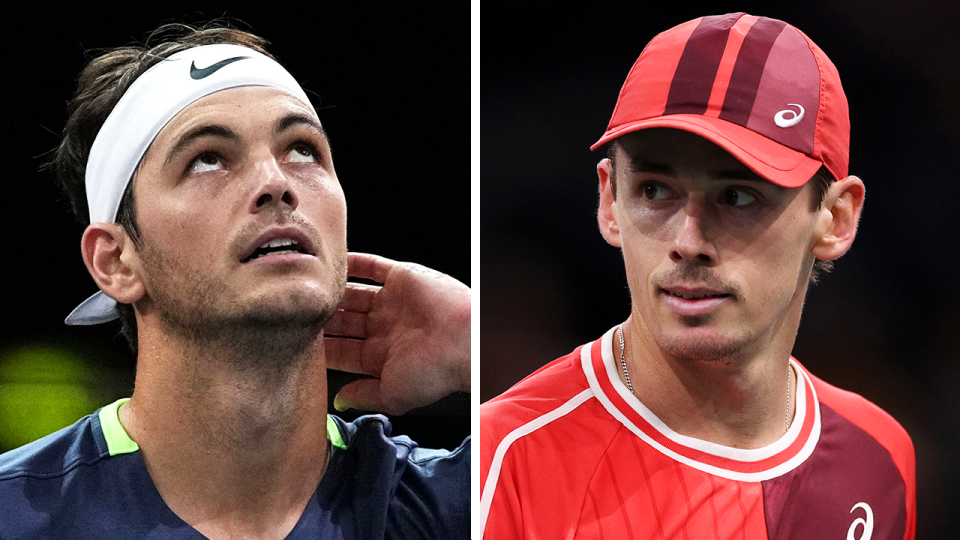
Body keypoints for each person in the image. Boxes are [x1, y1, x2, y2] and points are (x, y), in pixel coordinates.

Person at [0, 24, 470, 539]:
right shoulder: (15, 514)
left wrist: (474, 343)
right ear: (116, 261)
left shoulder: (459, 503)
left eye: (302, 149)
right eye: (207, 159)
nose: (277, 184)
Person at [479, 12, 915, 540]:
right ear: (609, 200)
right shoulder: (501, 462)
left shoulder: (881, 455)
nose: (687, 242)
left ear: (837, 218)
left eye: (737, 196)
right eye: (655, 190)